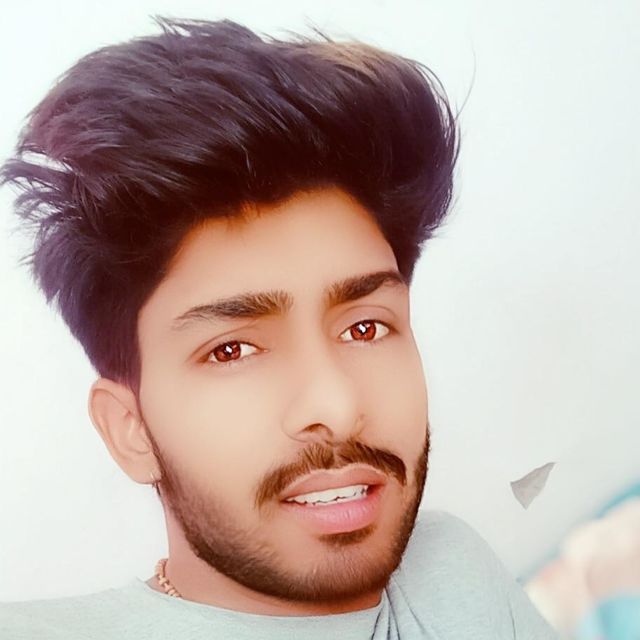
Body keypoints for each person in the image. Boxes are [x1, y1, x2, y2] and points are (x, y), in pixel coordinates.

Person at [0, 16, 557, 639]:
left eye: (365, 329)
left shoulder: (454, 570)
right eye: (232, 349)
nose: (337, 408)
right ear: (131, 431)